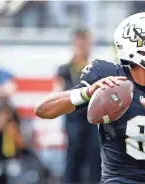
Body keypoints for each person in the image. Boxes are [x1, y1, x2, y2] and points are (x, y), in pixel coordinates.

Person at [35, 12, 145, 184]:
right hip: (119, 180)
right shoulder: (107, 77)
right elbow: (43, 110)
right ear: (142, 49)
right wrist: (87, 93)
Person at [55, 28, 101, 184]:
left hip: (93, 122)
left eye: (86, 44)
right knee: (72, 161)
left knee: (95, 161)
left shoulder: (97, 69)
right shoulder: (64, 69)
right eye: (80, 44)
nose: (83, 47)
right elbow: (59, 95)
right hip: (73, 121)